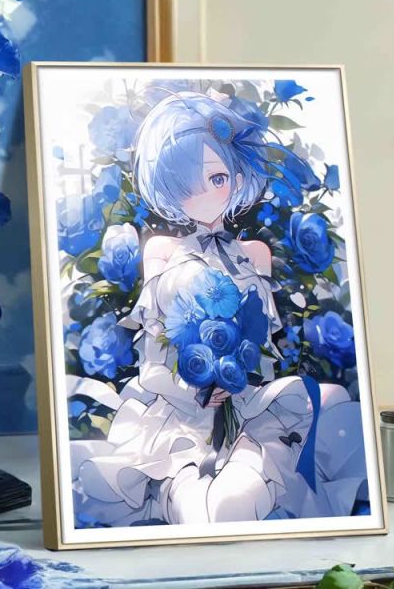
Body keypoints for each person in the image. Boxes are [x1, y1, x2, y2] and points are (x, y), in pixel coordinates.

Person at [70, 90, 368, 527]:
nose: (205, 195)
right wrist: (197, 388)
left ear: (236, 175)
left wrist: (236, 379)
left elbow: (266, 352)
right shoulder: (163, 251)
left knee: (325, 413)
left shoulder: (255, 254)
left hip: (245, 401)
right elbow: (152, 361)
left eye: (216, 178)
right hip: (180, 412)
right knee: (199, 500)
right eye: (186, 184)